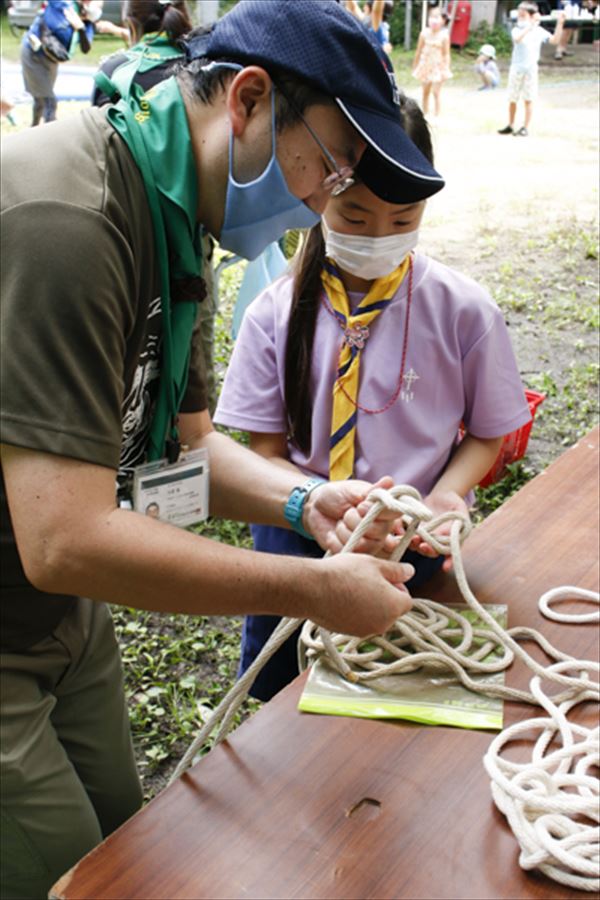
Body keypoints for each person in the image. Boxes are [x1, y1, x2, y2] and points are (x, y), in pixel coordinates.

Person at [0, 2, 447, 897]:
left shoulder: (177, 214)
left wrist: (300, 501)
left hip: (55, 618)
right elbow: (66, 539)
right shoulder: (71, 218)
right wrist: (313, 588)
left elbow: (183, 451)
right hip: (26, 593)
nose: (328, 198)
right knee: (71, 876)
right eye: (330, 163)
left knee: (128, 845)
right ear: (248, 99)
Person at [213, 93, 531, 703]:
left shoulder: (464, 311)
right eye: (355, 218)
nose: (380, 235)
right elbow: (264, 454)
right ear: (316, 196)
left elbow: (489, 432)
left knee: (401, 692)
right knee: (284, 699)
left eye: (404, 219)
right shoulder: (272, 314)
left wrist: (445, 493)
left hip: (415, 546)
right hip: (297, 545)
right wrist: (311, 506)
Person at [20, 0, 99, 127]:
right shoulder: (63, 4)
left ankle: (32, 130)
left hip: (51, 59)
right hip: (33, 53)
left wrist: (80, 28)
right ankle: (48, 139)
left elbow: (86, 48)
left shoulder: (88, 25)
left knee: (41, 99)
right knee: (49, 102)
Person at [498, 1, 566, 136]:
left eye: (523, 15)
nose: (520, 17)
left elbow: (554, 40)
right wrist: (530, 26)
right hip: (516, 68)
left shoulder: (539, 31)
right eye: (519, 14)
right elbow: (517, 39)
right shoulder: (516, 29)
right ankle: (510, 125)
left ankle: (525, 127)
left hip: (530, 69)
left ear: (531, 16)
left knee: (529, 98)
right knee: (512, 98)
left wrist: (560, 23)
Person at [412, 5, 452, 117]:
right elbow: (418, 51)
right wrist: (415, 65)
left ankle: (437, 114)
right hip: (425, 66)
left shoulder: (444, 36)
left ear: (443, 20)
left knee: (436, 92)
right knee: (425, 91)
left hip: (438, 67)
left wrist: (446, 67)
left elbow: (446, 53)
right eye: (431, 16)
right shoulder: (424, 33)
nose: (433, 20)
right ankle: (425, 113)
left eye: (437, 17)